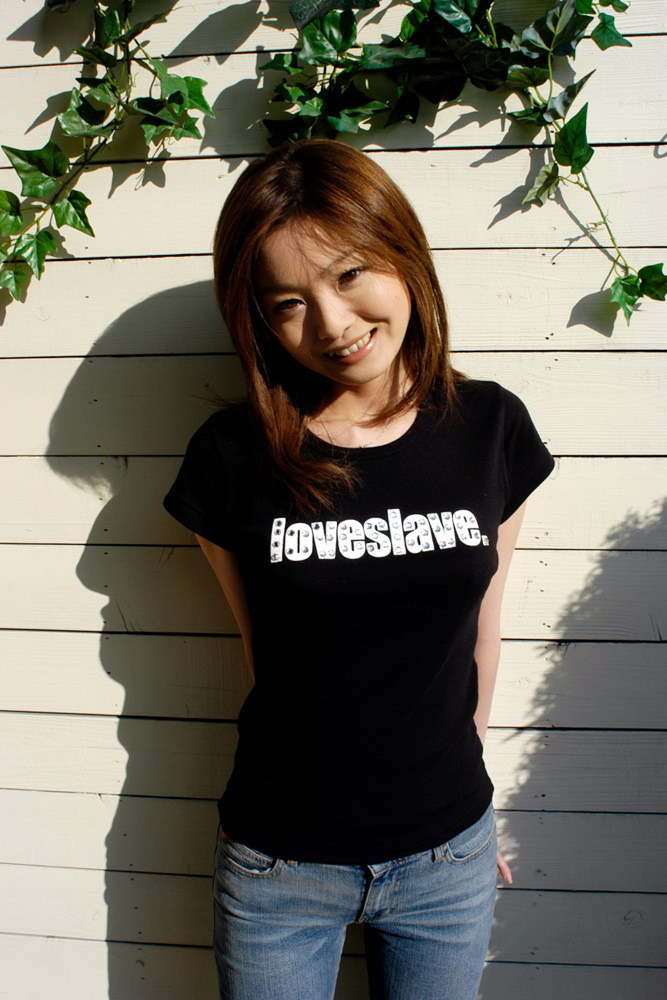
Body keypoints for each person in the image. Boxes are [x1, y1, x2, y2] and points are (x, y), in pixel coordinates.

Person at [164, 138, 554, 1000]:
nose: (333, 324)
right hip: (279, 866)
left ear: (402, 255)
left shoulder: (489, 428)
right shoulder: (231, 457)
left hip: (447, 854)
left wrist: (462, 800)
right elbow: (264, 650)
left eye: (349, 275)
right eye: (288, 303)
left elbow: (481, 628)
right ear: (256, 319)